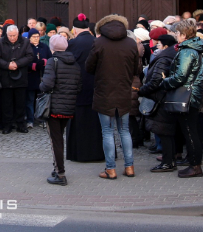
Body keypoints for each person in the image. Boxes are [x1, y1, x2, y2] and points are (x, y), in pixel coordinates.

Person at [86, 14, 142, 179]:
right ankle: (129, 166)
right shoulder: (131, 43)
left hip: (104, 92)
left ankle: (110, 169)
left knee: (107, 131)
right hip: (124, 91)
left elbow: (89, 66)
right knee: (124, 131)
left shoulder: (99, 42)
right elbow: (137, 69)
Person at [157, 20, 203, 178]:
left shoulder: (187, 50)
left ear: (184, 35)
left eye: (177, 34)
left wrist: (165, 82)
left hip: (187, 95)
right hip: (191, 94)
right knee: (190, 130)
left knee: (189, 131)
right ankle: (194, 164)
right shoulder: (192, 48)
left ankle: (195, 166)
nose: (175, 36)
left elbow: (180, 76)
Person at [39, 34, 78, 186]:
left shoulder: (52, 61)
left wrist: (41, 87)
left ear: (53, 47)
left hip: (54, 106)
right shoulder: (74, 63)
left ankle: (60, 174)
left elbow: (47, 84)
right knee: (59, 138)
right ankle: (57, 169)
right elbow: (78, 85)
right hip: (69, 106)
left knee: (56, 141)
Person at [140, 34, 181, 173]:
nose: (156, 47)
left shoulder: (164, 58)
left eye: (158, 44)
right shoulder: (171, 55)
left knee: (164, 130)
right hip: (165, 97)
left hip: (161, 98)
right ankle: (170, 159)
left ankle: (168, 162)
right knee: (167, 131)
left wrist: (143, 90)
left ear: (164, 45)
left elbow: (156, 80)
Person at [66, 14, 103, 162]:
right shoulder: (98, 42)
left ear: (74, 30)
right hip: (97, 89)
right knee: (98, 124)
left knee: (80, 124)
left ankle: (79, 154)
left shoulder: (73, 44)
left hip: (79, 90)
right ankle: (99, 153)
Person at [0, 25, 35, 134]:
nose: (12, 38)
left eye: (14, 35)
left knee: (21, 103)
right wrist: (7, 65)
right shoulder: (1, 42)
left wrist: (17, 63)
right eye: (10, 36)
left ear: (18, 34)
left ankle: (21, 124)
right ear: (6, 34)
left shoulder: (25, 42)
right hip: (6, 77)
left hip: (21, 76)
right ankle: (7, 125)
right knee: (7, 103)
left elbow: (30, 56)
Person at [26, 30, 51, 129]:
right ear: (29, 37)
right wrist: (34, 65)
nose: (36, 38)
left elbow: (50, 58)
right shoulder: (27, 47)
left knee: (43, 99)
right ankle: (30, 120)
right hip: (31, 77)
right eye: (34, 36)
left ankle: (42, 118)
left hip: (42, 76)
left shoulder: (44, 47)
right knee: (30, 99)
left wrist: (45, 62)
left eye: (37, 36)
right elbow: (24, 61)